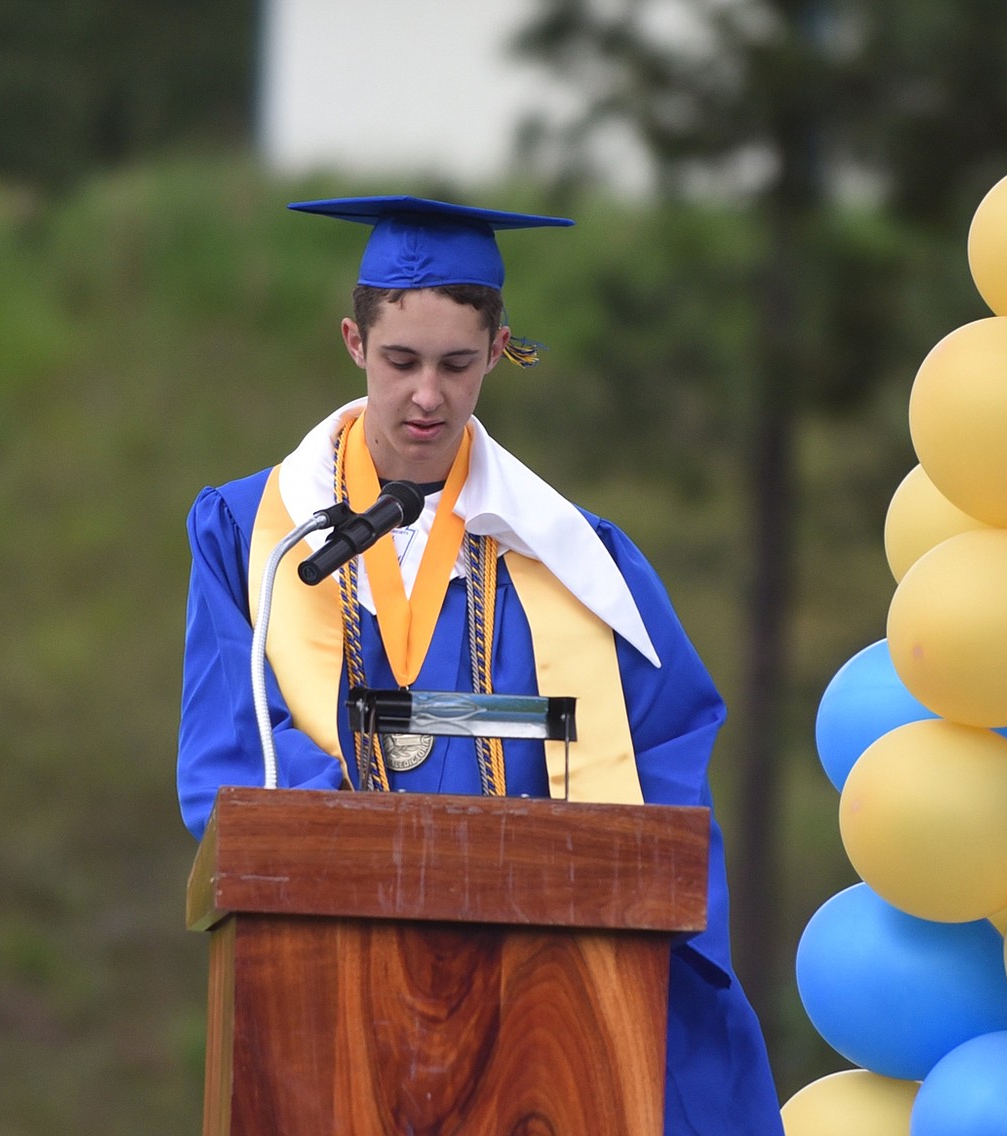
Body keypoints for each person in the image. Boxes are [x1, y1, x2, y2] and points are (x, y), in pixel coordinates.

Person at [177, 195, 784, 1134]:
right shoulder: (256, 535)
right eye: (401, 361)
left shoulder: (579, 563)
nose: (428, 396)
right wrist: (376, 869)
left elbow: (665, 765)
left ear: (499, 351)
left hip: (542, 1003)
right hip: (335, 980)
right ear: (353, 343)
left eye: (457, 365)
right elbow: (232, 749)